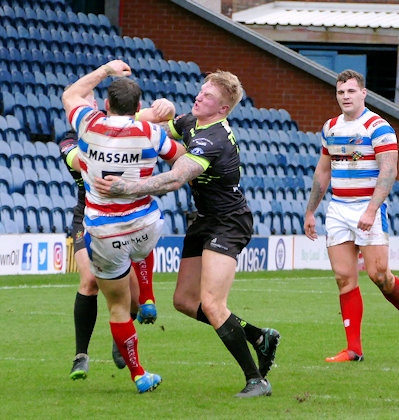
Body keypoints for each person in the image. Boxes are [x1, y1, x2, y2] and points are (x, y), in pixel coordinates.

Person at [93, 70, 280, 398]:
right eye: (201, 91)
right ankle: (258, 337)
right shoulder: (192, 121)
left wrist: (129, 187)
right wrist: (145, 112)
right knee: (183, 301)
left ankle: (256, 380)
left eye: (208, 96)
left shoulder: (214, 140)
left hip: (230, 222)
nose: (199, 97)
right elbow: (149, 128)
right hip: (205, 219)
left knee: (211, 303)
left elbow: (175, 179)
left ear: (222, 109)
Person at [62, 59, 184, 393]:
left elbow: (71, 95)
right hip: (145, 222)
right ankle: (147, 296)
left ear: (103, 105)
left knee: (116, 306)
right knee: (143, 249)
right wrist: (167, 117)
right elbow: (181, 154)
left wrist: (104, 71)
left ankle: (139, 375)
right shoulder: (149, 131)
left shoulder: (88, 125)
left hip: (105, 230)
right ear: (139, 106)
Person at [303, 69, 399, 363]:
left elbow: (389, 170)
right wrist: (310, 211)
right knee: (344, 278)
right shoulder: (330, 127)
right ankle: (353, 349)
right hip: (338, 209)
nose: (345, 97)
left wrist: (371, 209)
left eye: (351, 91)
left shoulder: (378, 127)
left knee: (379, 275)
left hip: (367, 206)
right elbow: (323, 170)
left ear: (363, 93)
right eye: (341, 92)